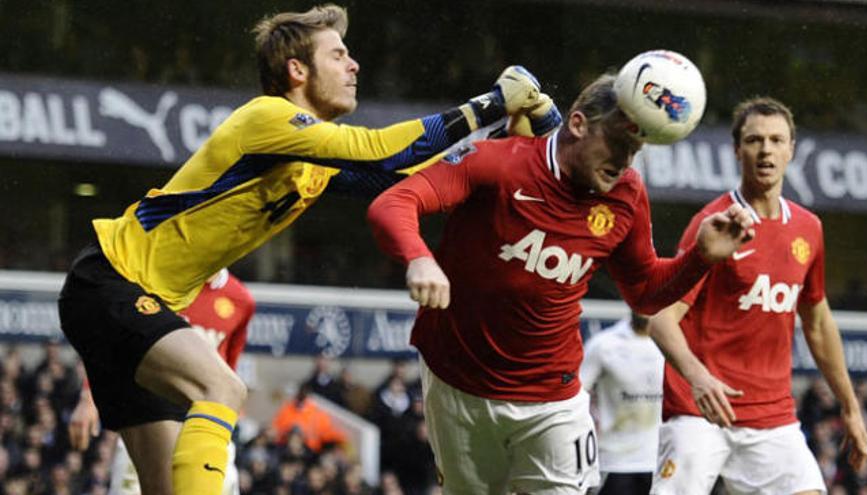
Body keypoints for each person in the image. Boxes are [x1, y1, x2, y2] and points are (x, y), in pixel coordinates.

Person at [56, 3, 553, 494]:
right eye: (338, 55)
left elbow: (398, 177)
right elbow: (384, 149)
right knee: (223, 388)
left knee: (166, 485)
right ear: (297, 70)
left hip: (123, 296)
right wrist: (487, 104)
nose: (353, 65)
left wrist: (502, 141)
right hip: (113, 281)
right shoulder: (267, 117)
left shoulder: (309, 161)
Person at [366, 71, 756, 494]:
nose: (626, 160)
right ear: (577, 124)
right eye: (619, 143)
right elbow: (395, 201)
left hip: (553, 397)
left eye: (636, 149)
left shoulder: (626, 194)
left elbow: (644, 291)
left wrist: (699, 257)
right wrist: (419, 258)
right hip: (457, 384)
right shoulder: (500, 163)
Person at [647, 97, 867, 495]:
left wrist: (851, 409)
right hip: (698, 412)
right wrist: (698, 378)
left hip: (772, 417)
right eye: (753, 140)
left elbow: (818, 323)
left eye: (775, 140)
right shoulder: (712, 223)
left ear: (791, 149)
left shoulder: (808, 228)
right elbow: (661, 317)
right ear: (737, 150)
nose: (765, 150)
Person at [68, 269, 255, 495]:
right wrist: (88, 396)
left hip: (203, 424)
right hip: (148, 416)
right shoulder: (158, 279)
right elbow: (116, 340)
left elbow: (229, 369)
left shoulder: (241, 300)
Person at [580, 311, 663, 494]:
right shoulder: (603, 344)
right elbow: (577, 395)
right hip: (615, 461)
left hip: (662, 461)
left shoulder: (676, 346)